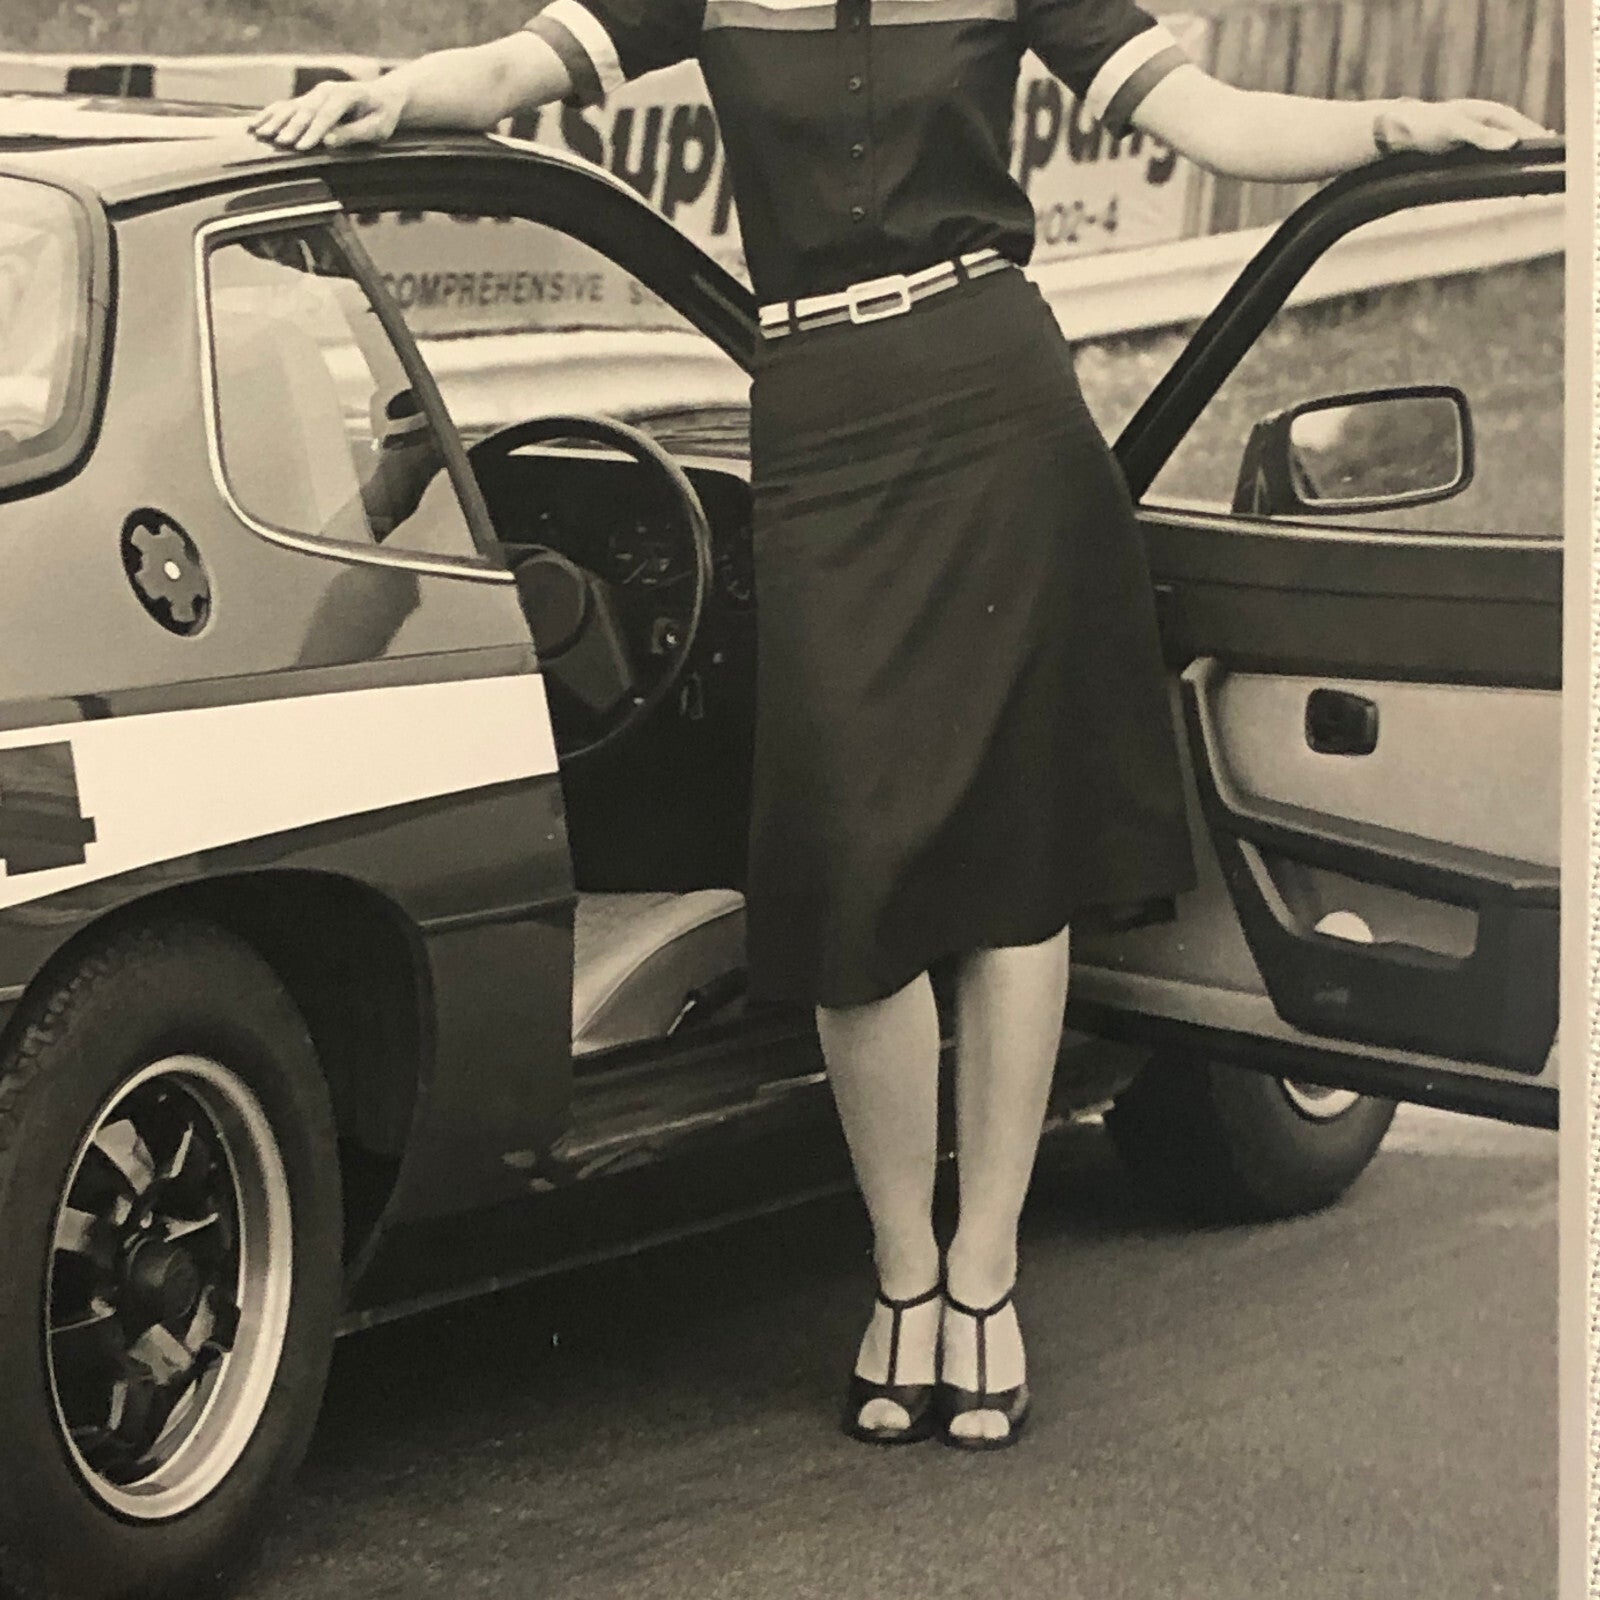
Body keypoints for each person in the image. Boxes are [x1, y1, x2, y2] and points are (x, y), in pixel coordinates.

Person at [251, 15, 1545, 1452]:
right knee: (849, 868)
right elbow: (504, 77)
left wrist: (1391, 131)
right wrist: (389, 95)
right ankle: (899, 1267)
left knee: (1011, 870)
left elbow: (1216, 123)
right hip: (818, 424)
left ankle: (982, 1274)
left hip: (999, 407)